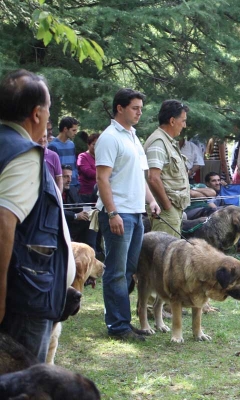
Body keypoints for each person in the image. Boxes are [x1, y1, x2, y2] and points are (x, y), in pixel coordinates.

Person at [0, 69, 73, 362]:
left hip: (24, 294)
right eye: (49, 109)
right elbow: (3, 224)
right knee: (24, 385)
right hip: (23, 300)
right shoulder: (23, 153)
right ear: (36, 113)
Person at [95, 88, 161, 341]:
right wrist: (112, 213)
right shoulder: (110, 137)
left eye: (141, 108)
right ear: (120, 108)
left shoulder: (133, 136)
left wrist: (151, 200)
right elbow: (102, 178)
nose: (139, 113)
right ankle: (118, 326)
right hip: (118, 212)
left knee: (128, 269)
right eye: (135, 108)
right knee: (115, 270)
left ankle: (121, 319)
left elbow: (140, 177)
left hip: (136, 213)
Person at [144, 100, 191, 238]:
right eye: (183, 121)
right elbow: (153, 177)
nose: (184, 125)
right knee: (165, 258)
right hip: (165, 210)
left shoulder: (166, 141)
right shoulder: (158, 142)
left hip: (172, 209)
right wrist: (167, 207)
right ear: (172, 121)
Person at [62, 164, 98, 253]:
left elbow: (80, 205)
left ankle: (91, 251)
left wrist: (88, 212)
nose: (69, 180)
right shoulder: (53, 190)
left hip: (72, 223)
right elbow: (56, 210)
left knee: (93, 217)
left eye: (70, 177)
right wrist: (75, 215)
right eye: (66, 177)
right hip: (60, 224)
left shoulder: (72, 189)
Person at [48, 116, 80, 188]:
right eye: (73, 130)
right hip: (61, 185)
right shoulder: (53, 146)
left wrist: (77, 180)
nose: (76, 133)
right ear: (65, 129)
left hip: (74, 184)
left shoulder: (71, 144)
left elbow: (74, 164)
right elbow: (53, 169)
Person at [38, 126, 63, 193]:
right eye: (39, 136)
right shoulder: (29, 155)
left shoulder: (53, 156)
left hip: (50, 195)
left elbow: (59, 179)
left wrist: (58, 197)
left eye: (44, 136)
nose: (42, 139)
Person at [77, 133, 100, 203]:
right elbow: (88, 172)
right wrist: (104, 175)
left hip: (100, 193)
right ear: (88, 145)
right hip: (86, 193)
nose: (96, 147)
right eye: (94, 144)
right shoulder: (82, 156)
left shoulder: (102, 157)